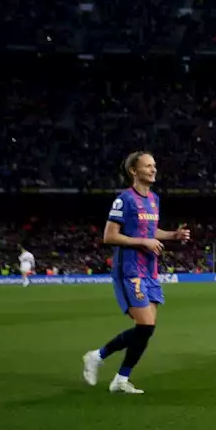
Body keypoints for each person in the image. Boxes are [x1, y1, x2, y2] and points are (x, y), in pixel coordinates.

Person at [82, 152, 191, 394]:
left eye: (154, 165)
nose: (153, 169)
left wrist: (172, 235)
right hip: (129, 270)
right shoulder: (124, 200)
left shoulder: (153, 199)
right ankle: (97, 357)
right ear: (134, 171)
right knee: (145, 324)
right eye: (148, 166)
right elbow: (109, 236)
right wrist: (144, 241)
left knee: (146, 329)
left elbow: (152, 230)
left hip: (150, 270)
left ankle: (120, 377)